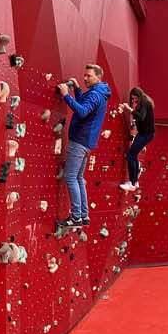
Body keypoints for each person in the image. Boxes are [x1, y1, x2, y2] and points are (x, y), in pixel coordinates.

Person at [56, 64, 112, 227]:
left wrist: (67, 95)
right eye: (85, 75)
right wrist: (78, 90)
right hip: (86, 142)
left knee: (71, 176)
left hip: (80, 140)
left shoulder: (95, 94)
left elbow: (81, 111)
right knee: (78, 178)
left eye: (89, 76)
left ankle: (75, 217)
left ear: (98, 77)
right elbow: (85, 107)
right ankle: (83, 215)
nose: (85, 78)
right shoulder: (99, 92)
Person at [118, 86, 155, 192]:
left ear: (139, 96)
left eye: (135, 98)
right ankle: (134, 181)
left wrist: (130, 109)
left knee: (131, 155)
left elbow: (141, 117)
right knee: (133, 155)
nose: (134, 100)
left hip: (146, 134)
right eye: (132, 99)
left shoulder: (144, 103)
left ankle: (132, 183)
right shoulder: (144, 102)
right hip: (144, 134)